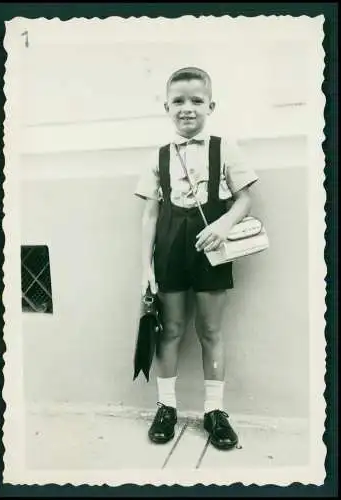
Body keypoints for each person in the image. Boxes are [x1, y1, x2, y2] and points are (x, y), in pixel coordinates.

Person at [134, 67, 258, 450]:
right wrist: (146, 268)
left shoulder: (225, 148)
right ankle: (166, 406)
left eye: (196, 101)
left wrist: (222, 226)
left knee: (210, 331)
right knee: (170, 330)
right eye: (179, 102)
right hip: (170, 250)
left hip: (211, 250)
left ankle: (215, 411)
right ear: (167, 107)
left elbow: (245, 198)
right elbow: (151, 213)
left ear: (211, 105)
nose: (187, 108)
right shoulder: (159, 156)